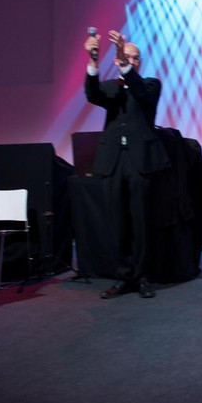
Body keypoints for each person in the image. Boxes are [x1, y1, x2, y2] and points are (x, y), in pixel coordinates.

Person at [83, 29, 169, 299]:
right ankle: (123, 276)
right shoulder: (111, 87)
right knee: (117, 221)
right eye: (123, 56)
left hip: (139, 161)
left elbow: (142, 94)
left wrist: (123, 61)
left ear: (138, 62)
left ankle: (142, 276)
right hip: (113, 161)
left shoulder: (150, 85)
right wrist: (94, 61)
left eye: (132, 57)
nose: (127, 60)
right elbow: (92, 94)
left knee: (140, 221)